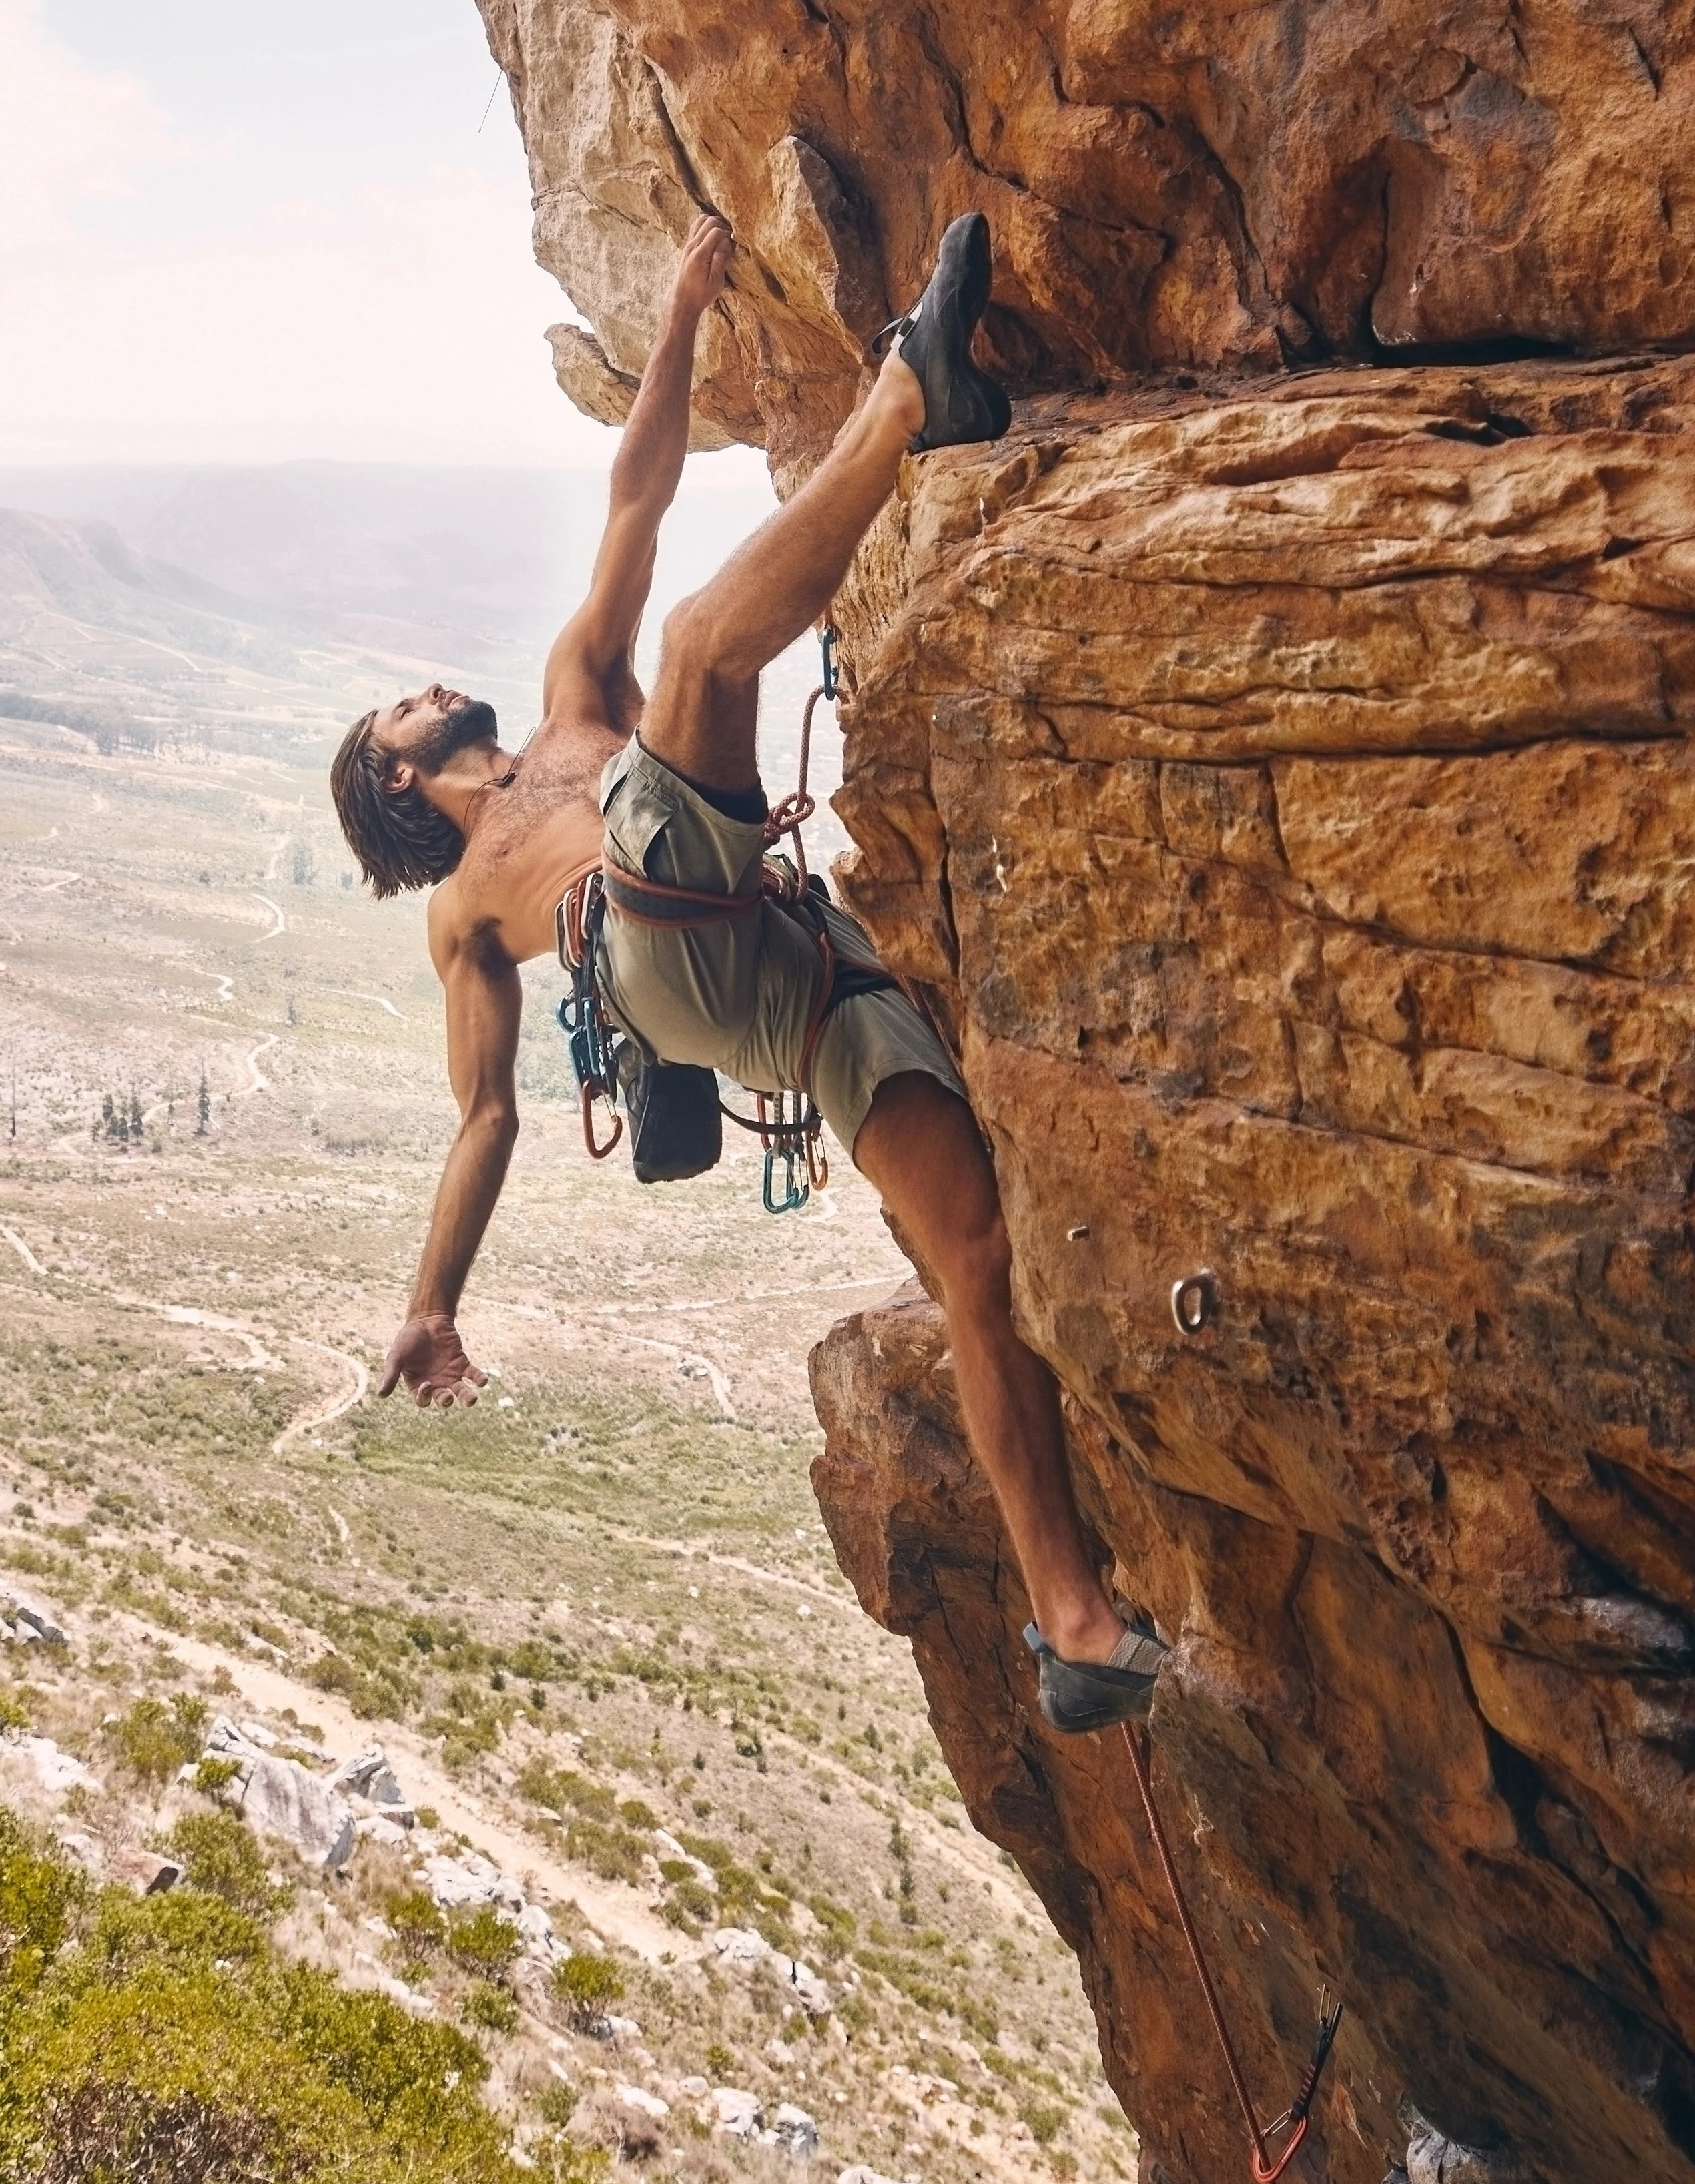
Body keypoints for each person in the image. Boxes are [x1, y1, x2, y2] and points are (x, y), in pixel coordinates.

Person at [329, 211, 1165, 1733]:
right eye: (400, 710)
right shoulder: (459, 907)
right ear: (395, 784)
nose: (428, 689)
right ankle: (914, 394)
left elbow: (633, 496)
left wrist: (675, 331)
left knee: (973, 1250)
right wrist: (429, 1300)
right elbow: (485, 1121)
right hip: (656, 951)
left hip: (789, 975)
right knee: (712, 647)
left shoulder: (571, 697)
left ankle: (1074, 1625)